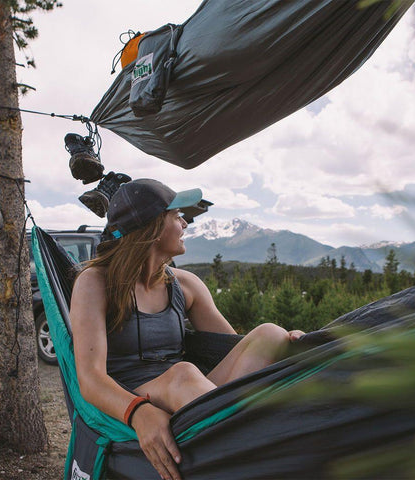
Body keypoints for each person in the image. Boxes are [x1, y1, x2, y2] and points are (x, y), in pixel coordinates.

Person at [70, 179, 304, 480]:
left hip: (195, 399)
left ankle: (254, 437)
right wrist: (138, 412)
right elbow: (90, 379)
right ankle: (262, 453)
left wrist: (288, 344)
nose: (185, 223)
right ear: (153, 227)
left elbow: (234, 351)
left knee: (269, 334)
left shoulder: (185, 284)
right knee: (183, 374)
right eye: (177, 215)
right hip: (133, 395)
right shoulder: (95, 282)